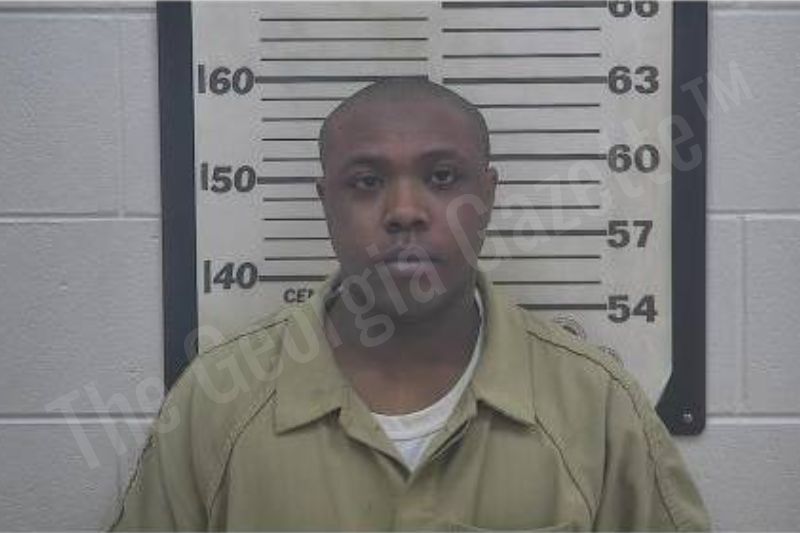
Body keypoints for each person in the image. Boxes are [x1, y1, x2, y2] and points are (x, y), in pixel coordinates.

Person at [110, 78, 710, 531]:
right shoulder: (216, 405)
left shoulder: (596, 408)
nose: (404, 211)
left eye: (443, 177)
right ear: (326, 202)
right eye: (367, 182)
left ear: (488, 196)